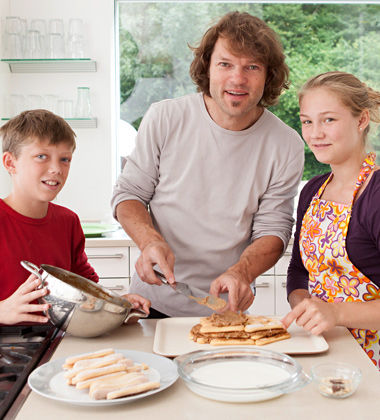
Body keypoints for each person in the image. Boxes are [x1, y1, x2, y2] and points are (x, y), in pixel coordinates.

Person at [111, 11, 304, 317]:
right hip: (152, 302)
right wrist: (150, 242)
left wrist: (242, 273)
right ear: (208, 67)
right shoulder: (164, 117)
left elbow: (274, 228)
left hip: (225, 308)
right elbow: (129, 194)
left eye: (251, 67)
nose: (237, 78)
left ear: (268, 75)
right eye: (225, 64)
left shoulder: (286, 143)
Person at [0, 109, 150, 325]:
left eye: (65, 159)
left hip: (60, 339)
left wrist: (117, 302)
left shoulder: (67, 221)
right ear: (10, 163)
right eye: (41, 156)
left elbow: (85, 287)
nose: (56, 169)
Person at [282, 71, 380, 368]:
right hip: (326, 353)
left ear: (361, 120)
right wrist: (305, 306)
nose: (315, 134)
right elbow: (299, 270)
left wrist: (335, 313)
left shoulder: (375, 195)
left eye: (329, 120)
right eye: (307, 121)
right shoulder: (313, 190)